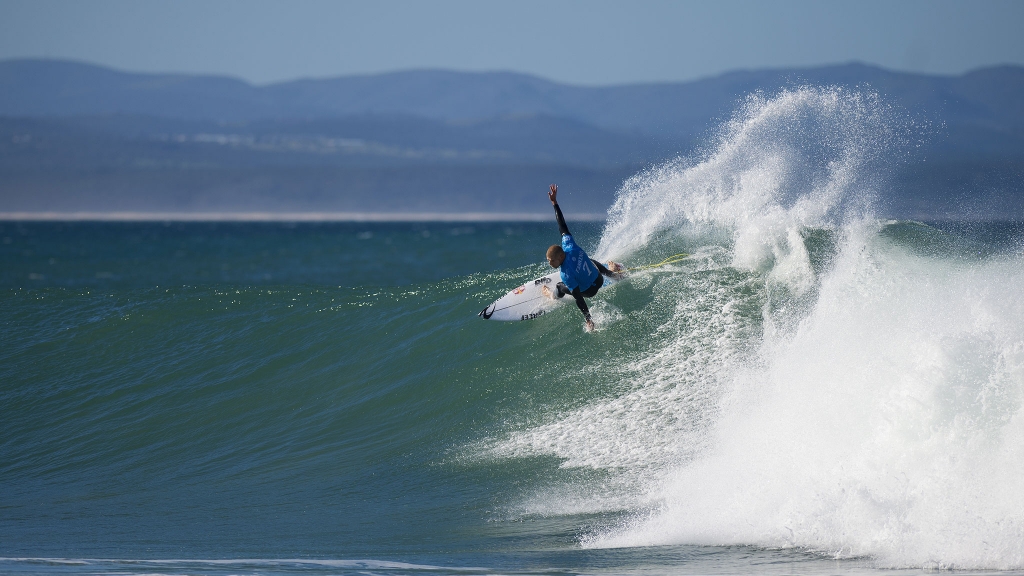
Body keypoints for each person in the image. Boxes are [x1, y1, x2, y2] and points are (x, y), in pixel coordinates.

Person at [542, 184, 620, 332]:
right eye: (548, 261)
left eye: (551, 260)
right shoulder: (570, 245)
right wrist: (554, 203)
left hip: (591, 291)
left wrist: (588, 319)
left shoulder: (566, 274)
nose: (550, 263)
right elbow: (562, 225)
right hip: (599, 279)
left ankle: (553, 296)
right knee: (589, 260)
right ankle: (612, 275)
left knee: (560, 286)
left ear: (560, 256)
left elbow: (578, 298)